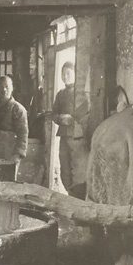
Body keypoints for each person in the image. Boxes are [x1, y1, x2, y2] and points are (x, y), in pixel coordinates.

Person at [51, 61, 81, 193]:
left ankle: (77, 196)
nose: (65, 76)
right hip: (63, 135)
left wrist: (72, 119)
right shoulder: (60, 94)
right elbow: (54, 114)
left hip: (78, 137)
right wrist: (60, 118)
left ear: (75, 74)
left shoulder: (80, 93)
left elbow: (85, 113)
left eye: (68, 73)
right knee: (65, 168)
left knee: (77, 167)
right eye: (63, 73)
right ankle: (70, 192)